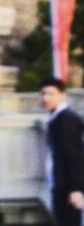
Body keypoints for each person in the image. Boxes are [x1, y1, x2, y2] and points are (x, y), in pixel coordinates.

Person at [41, 75, 84, 225]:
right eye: (43, 94)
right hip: (60, 186)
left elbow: (74, 156)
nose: (46, 98)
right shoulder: (57, 118)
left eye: (51, 94)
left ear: (63, 95)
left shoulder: (66, 119)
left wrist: (76, 189)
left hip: (68, 189)